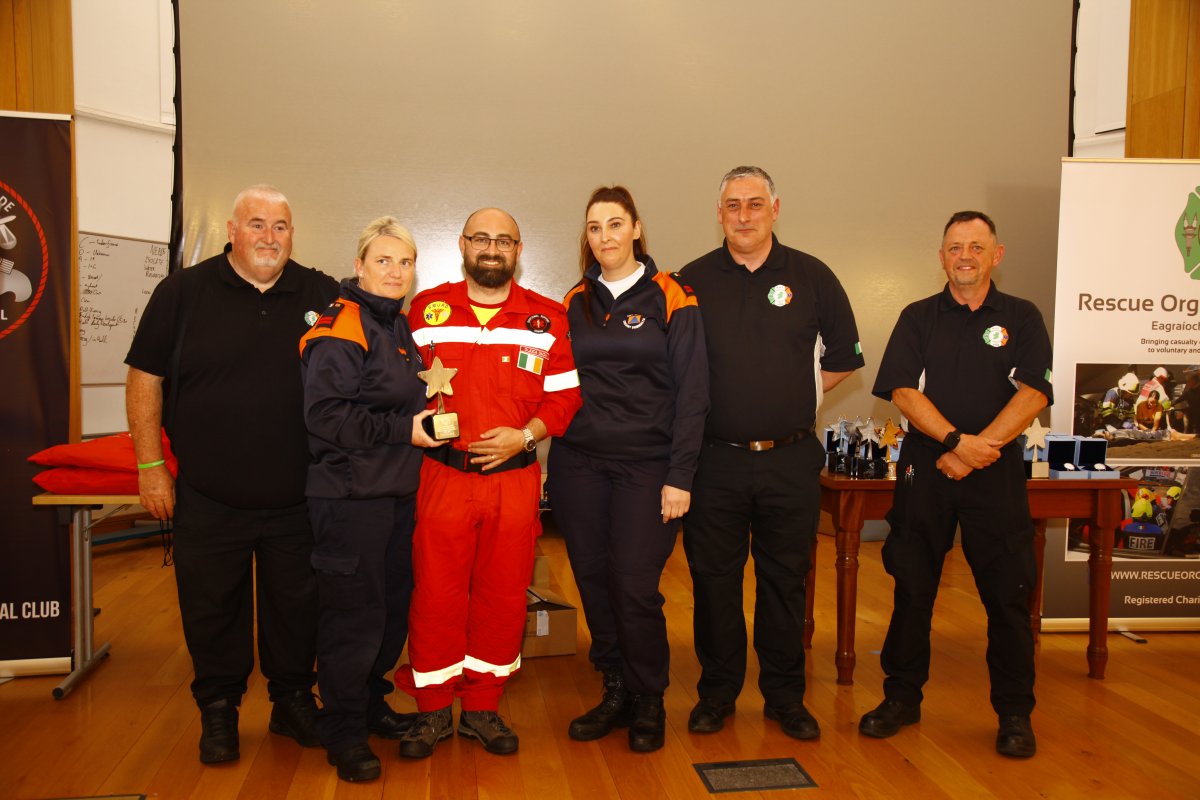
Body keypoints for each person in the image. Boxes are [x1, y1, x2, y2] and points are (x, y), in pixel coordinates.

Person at [125, 184, 338, 764]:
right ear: (231, 231)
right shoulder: (182, 292)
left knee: (297, 607)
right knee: (211, 607)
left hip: (299, 496)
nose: (269, 237)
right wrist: (151, 466)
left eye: (280, 226)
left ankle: (292, 700)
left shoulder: (322, 295)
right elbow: (145, 378)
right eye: (257, 224)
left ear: (293, 234)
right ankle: (218, 708)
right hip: (208, 494)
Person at [678, 166, 863, 741]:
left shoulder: (813, 275)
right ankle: (717, 694)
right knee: (714, 582)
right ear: (719, 214)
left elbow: (843, 358)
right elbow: (673, 366)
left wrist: (794, 395)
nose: (744, 215)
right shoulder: (689, 281)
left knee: (785, 582)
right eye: (733, 205)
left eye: (755, 204)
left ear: (775, 209)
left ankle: (785, 697)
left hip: (789, 460)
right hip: (715, 461)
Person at [863, 210, 1052, 759]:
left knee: (1008, 596)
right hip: (927, 471)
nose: (964, 256)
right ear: (941, 256)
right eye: (954, 247)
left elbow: (1034, 393)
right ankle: (900, 699)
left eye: (975, 246)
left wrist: (974, 451)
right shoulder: (918, 317)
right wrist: (953, 442)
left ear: (997, 254)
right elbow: (903, 391)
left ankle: (1014, 714)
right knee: (912, 589)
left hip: (995, 473)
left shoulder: (1022, 316)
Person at [394, 208, 582, 759]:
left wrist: (525, 436)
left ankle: (482, 707)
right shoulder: (425, 312)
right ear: (462, 245)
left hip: (513, 482)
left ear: (518, 250)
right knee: (436, 593)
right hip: (442, 478)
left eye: (504, 240)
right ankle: (432, 709)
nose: (492, 249)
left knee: (502, 596)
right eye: (481, 238)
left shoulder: (547, 318)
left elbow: (565, 398)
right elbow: (394, 389)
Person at [547, 186, 708, 752]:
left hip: (648, 467)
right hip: (579, 465)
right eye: (594, 227)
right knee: (593, 580)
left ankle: (648, 697)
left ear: (636, 228)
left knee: (634, 585)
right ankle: (614, 686)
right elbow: (555, 383)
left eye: (615, 224)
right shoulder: (574, 300)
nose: (605, 236)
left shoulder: (673, 295)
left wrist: (681, 476)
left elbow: (694, 393)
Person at [298, 217, 443, 782]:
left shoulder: (395, 325)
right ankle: (342, 730)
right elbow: (326, 417)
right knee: (353, 620)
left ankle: (370, 703)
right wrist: (405, 431)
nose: (395, 271)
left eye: (404, 262)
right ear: (359, 266)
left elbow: (396, 403)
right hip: (349, 498)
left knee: (388, 613)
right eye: (383, 261)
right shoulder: (342, 325)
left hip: (396, 495)